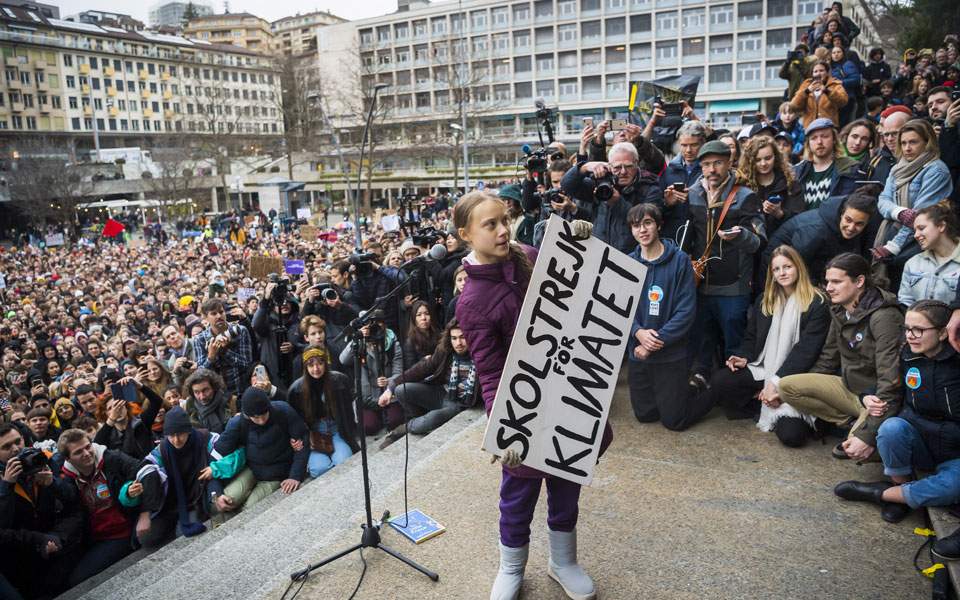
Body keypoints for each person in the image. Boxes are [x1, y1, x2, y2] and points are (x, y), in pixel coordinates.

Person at [453, 191, 609, 600]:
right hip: (522, 405)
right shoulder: (470, 302)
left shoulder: (529, 253)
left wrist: (579, 246)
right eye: (491, 224)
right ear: (465, 234)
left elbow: (579, 291)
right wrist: (501, 426)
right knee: (518, 494)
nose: (504, 229)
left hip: (566, 387)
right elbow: (488, 371)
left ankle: (564, 560)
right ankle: (511, 568)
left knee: (566, 480)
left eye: (504, 220)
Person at [834, 300, 959, 525]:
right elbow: (891, 388)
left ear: (942, 333)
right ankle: (899, 487)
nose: (910, 335)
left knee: (953, 487)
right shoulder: (908, 355)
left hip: (955, 452)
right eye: (907, 329)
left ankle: (883, 494)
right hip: (921, 442)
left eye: (919, 330)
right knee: (891, 428)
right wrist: (867, 396)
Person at [778, 253, 903, 460]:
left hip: (875, 398)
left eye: (836, 281)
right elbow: (829, 357)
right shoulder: (839, 308)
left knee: (854, 450)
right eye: (827, 281)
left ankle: (866, 432)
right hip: (849, 387)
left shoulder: (884, 316)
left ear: (860, 281)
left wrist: (867, 434)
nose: (828, 287)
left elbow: (890, 382)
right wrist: (811, 390)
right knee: (787, 387)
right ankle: (851, 422)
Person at [712, 246, 831, 445]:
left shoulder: (816, 303)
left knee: (792, 437)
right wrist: (743, 356)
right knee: (720, 381)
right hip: (765, 368)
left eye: (787, 267)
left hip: (797, 376)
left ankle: (773, 401)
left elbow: (806, 352)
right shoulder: (765, 300)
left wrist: (776, 385)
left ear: (798, 267)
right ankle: (762, 401)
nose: (782, 273)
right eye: (776, 269)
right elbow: (752, 337)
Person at [686, 140, 766, 388]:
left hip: (733, 285)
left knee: (734, 341)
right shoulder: (692, 194)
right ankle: (702, 378)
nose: (712, 170)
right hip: (700, 283)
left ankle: (733, 388)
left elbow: (760, 242)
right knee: (703, 338)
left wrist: (741, 235)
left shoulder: (745, 196)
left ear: (729, 162)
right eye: (707, 164)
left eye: (717, 163)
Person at [624, 204, 703, 430]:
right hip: (638, 351)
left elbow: (685, 312)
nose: (642, 230)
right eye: (636, 226)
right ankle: (673, 394)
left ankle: (705, 387)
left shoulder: (680, 261)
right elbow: (622, 307)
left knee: (674, 421)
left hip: (670, 354)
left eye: (647, 223)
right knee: (645, 415)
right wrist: (637, 332)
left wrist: (653, 342)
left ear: (658, 225)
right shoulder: (628, 263)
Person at [59, 428, 162, 587]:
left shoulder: (111, 458)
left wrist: (145, 514)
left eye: (88, 447)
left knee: (80, 579)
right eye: (78, 452)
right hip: (93, 538)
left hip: (123, 530)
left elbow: (147, 470)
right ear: (68, 458)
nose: (87, 453)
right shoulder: (65, 479)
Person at [137, 407, 242, 547]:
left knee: (184, 534)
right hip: (170, 501)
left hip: (196, 497)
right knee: (146, 538)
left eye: (180, 434)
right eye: (171, 435)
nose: (176, 440)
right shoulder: (162, 450)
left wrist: (216, 493)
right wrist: (145, 511)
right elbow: (143, 468)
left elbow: (221, 463)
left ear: (188, 430)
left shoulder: (206, 439)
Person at [0, 422, 82, 599]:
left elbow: (74, 500)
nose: (15, 449)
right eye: (6, 446)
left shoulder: (45, 458)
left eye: (17, 441)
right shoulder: (3, 482)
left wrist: (53, 483)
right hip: (21, 559)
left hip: (56, 548)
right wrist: (6, 486)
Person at [378, 318, 479, 449]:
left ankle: (403, 429)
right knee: (401, 390)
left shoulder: (479, 355)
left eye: (462, 337)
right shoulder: (446, 351)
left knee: (433, 418)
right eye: (454, 338)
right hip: (443, 392)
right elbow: (421, 369)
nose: (458, 343)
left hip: (461, 402)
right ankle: (419, 421)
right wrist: (390, 388)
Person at [211, 388, 309, 514]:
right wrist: (216, 493)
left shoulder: (283, 411)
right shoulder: (238, 423)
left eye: (264, 414)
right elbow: (216, 455)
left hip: (277, 474)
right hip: (251, 469)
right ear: (247, 415)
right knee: (229, 499)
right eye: (256, 417)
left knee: (250, 509)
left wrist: (295, 476)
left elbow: (302, 442)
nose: (262, 421)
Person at [562, 141, 664, 254]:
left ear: (637, 163)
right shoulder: (600, 184)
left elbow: (649, 222)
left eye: (628, 166)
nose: (623, 172)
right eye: (617, 167)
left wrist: (617, 202)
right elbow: (567, 185)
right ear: (609, 166)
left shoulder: (650, 188)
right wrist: (584, 167)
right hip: (598, 255)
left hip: (633, 258)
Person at [873, 119, 954, 262]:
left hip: (918, 245)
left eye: (913, 142)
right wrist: (900, 212)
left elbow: (920, 217)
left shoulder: (936, 170)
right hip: (890, 234)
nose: (907, 148)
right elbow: (883, 200)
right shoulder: (897, 168)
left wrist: (893, 246)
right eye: (903, 143)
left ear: (927, 142)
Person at [764, 187, 879, 284]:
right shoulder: (816, 230)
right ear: (841, 214)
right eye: (848, 220)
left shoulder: (861, 231)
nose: (851, 227)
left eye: (859, 224)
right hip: (777, 270)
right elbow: (797, 266)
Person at [286, 346, 358, 478]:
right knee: (319, 469)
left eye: (320, 363)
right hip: (314, 434)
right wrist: (296, 439)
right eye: (311, 365)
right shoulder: (297, 390)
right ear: (305, 368)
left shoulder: (339, 381)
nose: (316, 368)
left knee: (344, 462)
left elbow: (348, 411)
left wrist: (351, 432)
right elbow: (293, 419)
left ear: (326, 363)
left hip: (336, 430)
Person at [338, 310, 404, 436]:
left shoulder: (392, 343)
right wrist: (357, 338)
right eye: (370, 324)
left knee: (395, 421)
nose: (374, 327)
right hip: (367, 397)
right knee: (369, 427)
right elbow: (343, 360)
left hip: (388, 393)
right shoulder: (360, 343)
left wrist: (388, 381)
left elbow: (398, 372)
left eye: (378, 323)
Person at [737, 135, 804, 236]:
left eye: (768, 158)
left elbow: (800, 219)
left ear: (775, 157)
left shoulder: (790, 183)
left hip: (782, 241)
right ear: (750, 161)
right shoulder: (743, 185)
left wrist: (780, 214)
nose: (763, 164)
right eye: (758, 160)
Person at [898, 202, 960, 306]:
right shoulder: (912, 263)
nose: (916, 235)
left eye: (921, 228)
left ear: (941, 226)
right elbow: (905, 302)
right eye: (915, 230)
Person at [192, 298, 253, 401]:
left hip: (241, 391)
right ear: (206, 318)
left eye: (221, 312)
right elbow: (201, 374)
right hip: (217, 397)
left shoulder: (240, 330)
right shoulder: (200, 339)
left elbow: (247, 364)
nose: (219, 316)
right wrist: (211, 357)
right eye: (214, 314)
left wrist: (225, 351)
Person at [792, 118, 860, 211]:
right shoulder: (797, 170)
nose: (819, 142)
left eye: (824, 136)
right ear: (808, 143)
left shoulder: (849, 168)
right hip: (801, 223)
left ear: (834, 139)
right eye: (814, 138)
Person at [659, 120, 707, 245]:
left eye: (694, 145)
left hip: (701, 238)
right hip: (673, 238)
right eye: (684, 145)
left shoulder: (710, 170)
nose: (688, 150)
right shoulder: (669, 170)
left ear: (703, 143)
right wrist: (667, 203)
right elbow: (657, 208)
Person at [252, 282, 302, 388]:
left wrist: (295, 347)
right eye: (280, 302)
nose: (284, 304)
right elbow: (255, 324)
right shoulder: (266, 323)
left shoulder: (300, 323)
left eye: (287, 301)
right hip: (271, 375)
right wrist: (265, 300)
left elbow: (308, 346)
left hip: (295, 376)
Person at [789, 61, 849, 129]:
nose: (818, 74)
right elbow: (793, 106)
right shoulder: (806, 84)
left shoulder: (834, 84)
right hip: (810, 127)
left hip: (828, 127)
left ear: (827, 73)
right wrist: (806, 91)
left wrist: (827, 91)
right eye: (815, 71)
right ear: (812, 74)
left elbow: (843, 101)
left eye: (821, 70)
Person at [867, 107, 911, 185]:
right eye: (886, 134)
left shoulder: (923, 163)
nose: (890, 139)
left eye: (895, 134)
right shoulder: (875, 161)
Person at [182, 368, 231, 434]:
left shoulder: (229, 401)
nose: (202, 397)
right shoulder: (189, 406)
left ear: (214, 387)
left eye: (205, 390)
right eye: (196, 392)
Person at [829, 46, 861, 126]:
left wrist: (841, 82)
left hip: (847, 98)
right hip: (835, 99)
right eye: (834, 53)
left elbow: (856, 79)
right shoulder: (830, 67)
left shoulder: (847, 64)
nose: (836, 54)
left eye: (838, 52)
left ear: (843, 54)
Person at [403, 300, 440, 367]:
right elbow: (410, 369)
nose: (423, 318)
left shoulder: (438, 335)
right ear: (414, 319)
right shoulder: (410, 342)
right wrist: (424, 361)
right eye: (419, 315)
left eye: (426, 313)